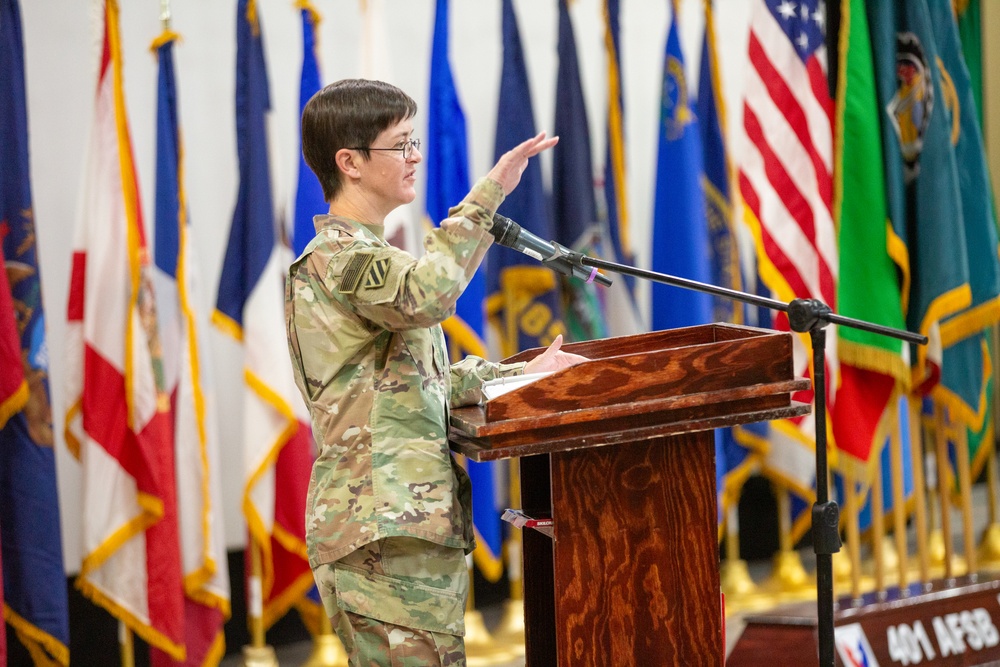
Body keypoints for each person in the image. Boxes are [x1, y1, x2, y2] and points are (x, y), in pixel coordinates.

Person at [285, 78, 585, 666]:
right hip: (378, 528)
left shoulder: (375, 256)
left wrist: (523, 375)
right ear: (349, 162)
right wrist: (487, 197)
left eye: (414, 140)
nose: (415, 155)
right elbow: (428, 296)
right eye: (400, 144)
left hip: (404, 526)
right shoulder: (339, 257)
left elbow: (419, 384)